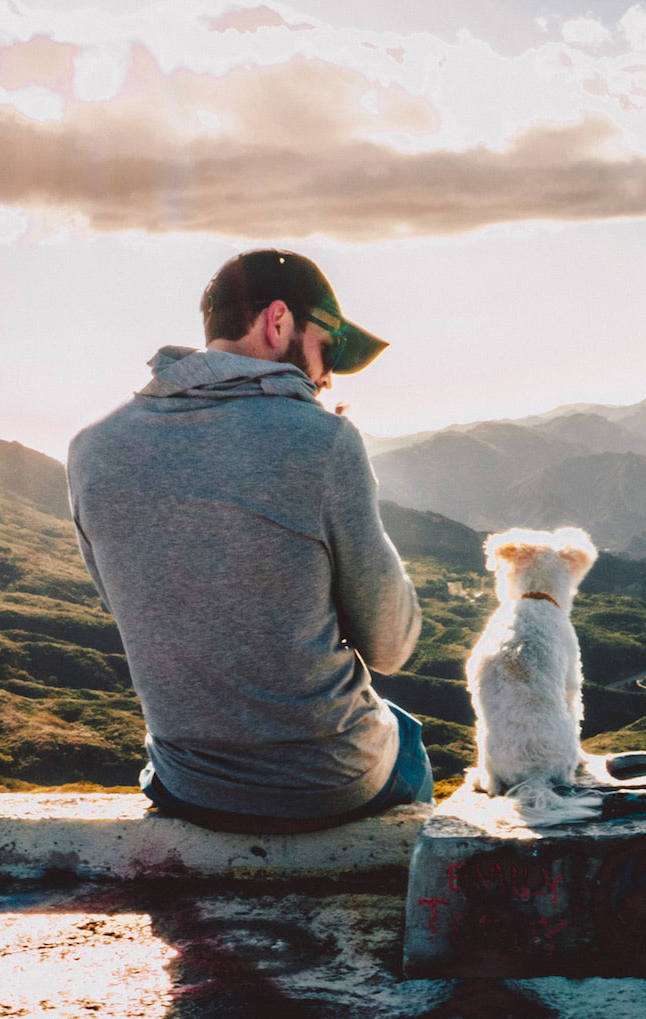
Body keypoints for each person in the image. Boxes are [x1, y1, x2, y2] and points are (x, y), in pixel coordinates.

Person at [66, 249, 429, 833]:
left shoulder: (91, 447)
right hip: (325, 781)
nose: (327, 375)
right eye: (326, 349)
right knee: (405, 734)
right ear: (278, 322)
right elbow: (390, 645)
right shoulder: (324, 441)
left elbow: (135, 604)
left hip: (188, 783)